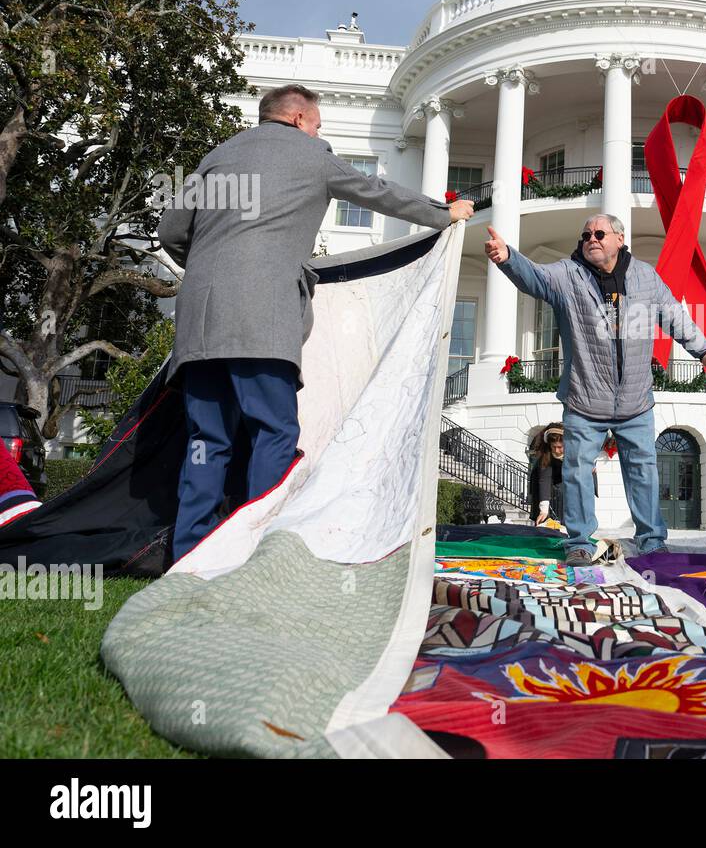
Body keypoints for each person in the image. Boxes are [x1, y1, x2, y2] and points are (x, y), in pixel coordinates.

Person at [159, 83, 474, 563]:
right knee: (274, 432)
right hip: (262, 320)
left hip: (200, 320)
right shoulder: (312, 155)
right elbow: (376, 191)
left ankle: (186, 557)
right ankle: (255, 552)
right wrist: (442, 212)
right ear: (300, 119)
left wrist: (209, 266)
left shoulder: (216, 158)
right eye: (318, 124)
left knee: (208, 440)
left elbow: (171, 232)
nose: (318, 131)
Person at [485, 213, 706, 565]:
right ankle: (580, 542)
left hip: (635, 402)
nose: (591, 239)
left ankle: (651, 540)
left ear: (619, 238)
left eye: (599, 233)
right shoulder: (568, 275)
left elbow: (674, 314)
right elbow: (534, 278)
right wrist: (509, 258)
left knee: (643, 471)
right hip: (585, 400)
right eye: (586, 235)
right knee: (577, 471)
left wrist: (703, 350)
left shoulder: (645, 277)